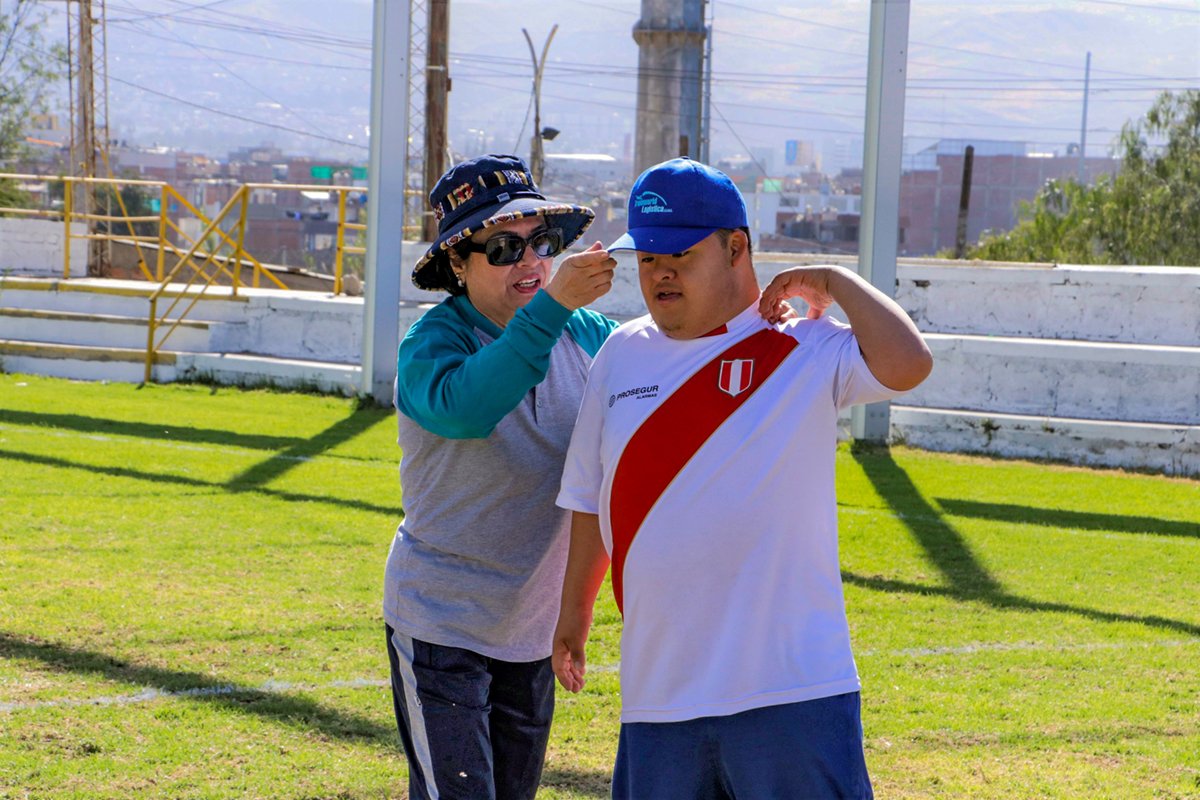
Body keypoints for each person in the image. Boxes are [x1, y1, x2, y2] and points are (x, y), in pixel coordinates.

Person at [552, 157, 933, 799]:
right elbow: (591, 496)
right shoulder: (620, 352)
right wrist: (573, 615)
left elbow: (909, 363)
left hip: (792, 692)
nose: (660, 272)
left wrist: (836, 281)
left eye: (680, 254)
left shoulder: (803, 342)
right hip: (658, 696)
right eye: (648, 258)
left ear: (736, 248)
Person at [383, 153, 619, 800]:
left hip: (531, 632)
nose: (531, 261)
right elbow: (467, 409)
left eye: (541, 242)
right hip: (440, 624)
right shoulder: (432, 343)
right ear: (457, 265)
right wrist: (553, 307)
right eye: (504, 248)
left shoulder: (586, 332)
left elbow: (664, 370)